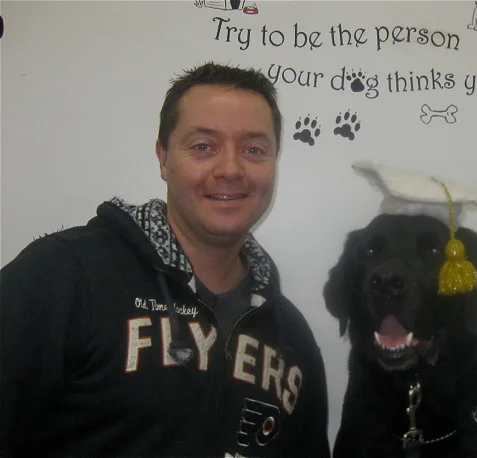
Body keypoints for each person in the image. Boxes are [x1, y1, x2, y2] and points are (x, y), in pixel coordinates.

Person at [0, 62, 330, 458]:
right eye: (203, 146)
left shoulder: (293, 341)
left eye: (254, 149)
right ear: (163, 158)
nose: (230, 169)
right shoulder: (65, 275)